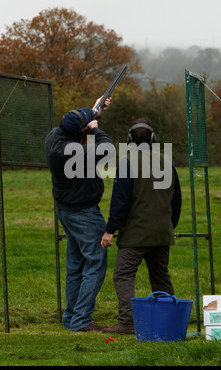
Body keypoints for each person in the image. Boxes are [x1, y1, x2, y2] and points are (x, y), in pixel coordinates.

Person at [101, 118, 182, 334]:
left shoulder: (127, 162)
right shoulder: (168, 163)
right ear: (153, 139)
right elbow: (177, 201)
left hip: (135, 235)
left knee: (123, 274)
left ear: (129, 141)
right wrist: (167, 226)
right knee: (160, 275)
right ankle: (169, 319)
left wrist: (110, 230)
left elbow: (120, 202)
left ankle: (127, 321)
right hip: (162, 233)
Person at [45, 97, 112, 332]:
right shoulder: (72, 153)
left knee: (76, 266)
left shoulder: (56, 135)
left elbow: (79, 127)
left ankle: (71, 318)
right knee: (95, 262)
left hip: (67, 211)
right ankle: (82, 320)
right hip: (83, 214)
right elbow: (106, 149)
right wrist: (96, 128)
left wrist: (96, 111)